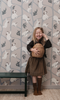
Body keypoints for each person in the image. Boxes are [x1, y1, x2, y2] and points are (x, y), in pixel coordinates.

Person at [25, 27, 52, 96]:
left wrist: (45, 37)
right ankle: (35, 90)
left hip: (40, 60)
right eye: (37, 33)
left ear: (42, 34)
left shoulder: (43, 42)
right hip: (33, 60)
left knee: (39, 75)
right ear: (35, 34)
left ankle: (39, 89)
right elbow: (28, 46)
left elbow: (49, 45)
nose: (38, 34)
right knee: (34, 75)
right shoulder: (33, 42)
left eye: (40, 33)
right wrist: (32, 50)